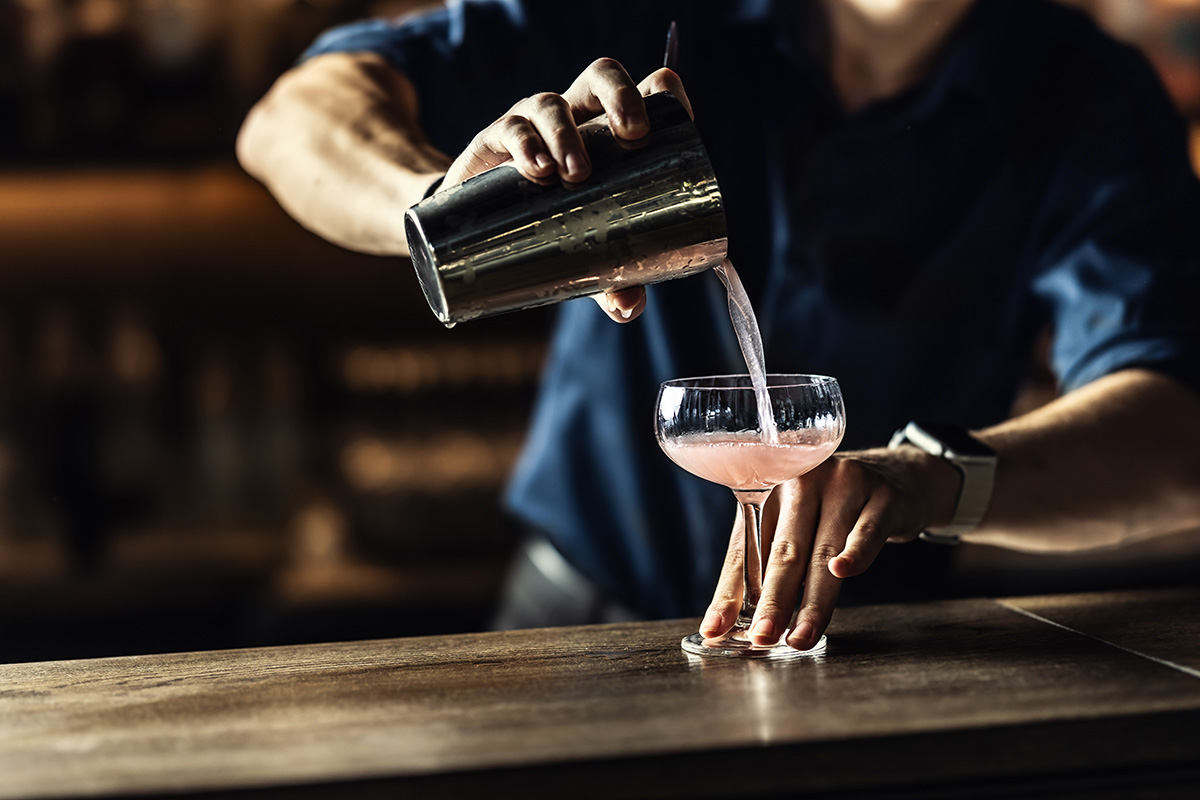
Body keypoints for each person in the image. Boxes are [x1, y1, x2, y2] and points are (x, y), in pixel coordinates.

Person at [238, 0, 1200, 650]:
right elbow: (292, 118)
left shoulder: (1088, 96)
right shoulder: (658, 17)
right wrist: (445, 200)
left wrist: (936, 480)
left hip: (876, 639)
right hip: (580, 619)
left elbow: (1175, 435)